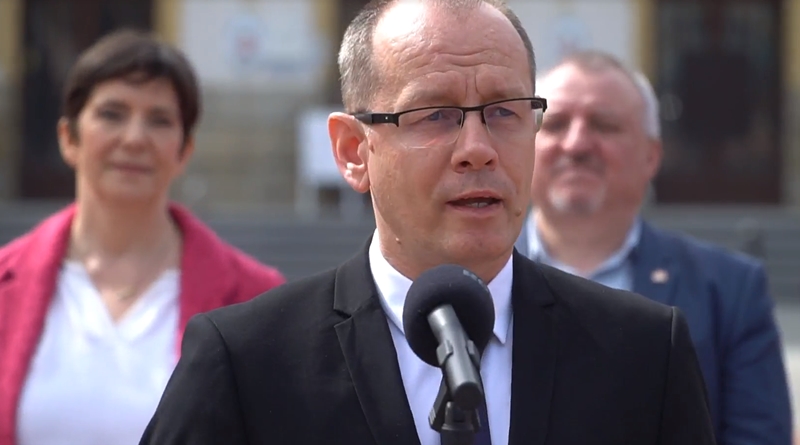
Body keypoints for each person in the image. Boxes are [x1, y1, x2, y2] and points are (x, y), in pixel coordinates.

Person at [140, 1, 715, 444]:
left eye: (504, 111)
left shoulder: (644, 354)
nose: (478, 149)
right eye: (435, 114)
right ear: (353, 151)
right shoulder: (248, 361)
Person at [0, 29, 285, 445]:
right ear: (68, 137)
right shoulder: (4, 282)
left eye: (159, 120)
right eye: (112, 114)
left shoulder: (257, 300)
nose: (134, 138)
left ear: (184, 150)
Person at [515, 49, 792, 444]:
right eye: (556, 124)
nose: (576, 144)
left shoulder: (730, 291)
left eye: (604, 125)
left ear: (651, 156)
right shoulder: (472, 279)